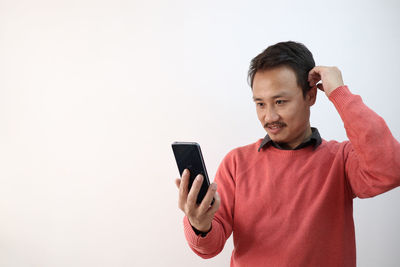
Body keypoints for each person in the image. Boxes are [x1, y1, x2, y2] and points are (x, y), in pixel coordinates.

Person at [174, 41, 400, 267]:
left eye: (280, 102)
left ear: (311, 96)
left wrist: (339, 94)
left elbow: (390, 169)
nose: (269, 117)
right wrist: (199, 225)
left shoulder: (341, 159)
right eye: (260, 104)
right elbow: (209, 247)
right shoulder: (236, 162)